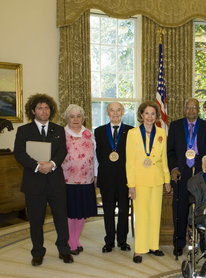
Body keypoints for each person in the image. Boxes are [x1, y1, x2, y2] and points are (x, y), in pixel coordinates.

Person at [13, 93, 73, 266]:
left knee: (61, 218)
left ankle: (64, 250)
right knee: (36, 220)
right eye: (40, 107)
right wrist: (38, 166)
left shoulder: (59, 129)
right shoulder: (24, 130)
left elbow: (62, 151)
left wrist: (52, 164)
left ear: (51, 110)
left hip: (55, 182)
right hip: (34, 183)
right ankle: (37, 252)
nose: (44, 110)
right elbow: (19, 154)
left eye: (46, 107)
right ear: (33, 111)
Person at [167, 98, 206, 257]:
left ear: (198, 110)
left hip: (201, 175)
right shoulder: (175, 126)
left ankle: (204, 243)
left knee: (203, 209)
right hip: (180, 175)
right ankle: (178, 242)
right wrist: (174, 168)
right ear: (184, 109)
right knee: (180, 209)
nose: (191, 110)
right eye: (188, 107)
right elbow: (171, 151)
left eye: (194, 108)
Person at [126, 101, 171, 263]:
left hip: (157, 179)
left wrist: (167, 179)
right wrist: (131, 185)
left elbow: (164, 158)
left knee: (155, 213)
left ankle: (153, 245)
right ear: (141, 115)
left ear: (156, 116)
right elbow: (129, 162)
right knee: (141, 215)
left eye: (153, 114)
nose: (150, 117)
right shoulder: (132, 134)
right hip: (139, 180)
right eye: (147, 113)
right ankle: (139, 249)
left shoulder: (161, 132)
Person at [95, 102, 133, 253]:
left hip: (125, 178)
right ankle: (109, 241)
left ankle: (123, 241)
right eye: (112, 110)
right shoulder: (99, 131)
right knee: (108, 211)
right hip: (107, 178)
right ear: (107, 112)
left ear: (123, 112)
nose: (115, 113)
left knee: (124, 211)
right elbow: (98, 156)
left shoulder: (131, 131)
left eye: (118, 110)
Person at [61, 104, 98, 255]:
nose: (76, 119)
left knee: (82, 212)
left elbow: (94, 157)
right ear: (67, 118)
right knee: (71, 212)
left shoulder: (89, 133)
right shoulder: (61, 133)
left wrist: (95, 175)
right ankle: (71, 242)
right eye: (72, 116)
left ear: (83, 118)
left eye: (78, 116)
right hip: (67, 180)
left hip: (86, 179)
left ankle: (75, 239)